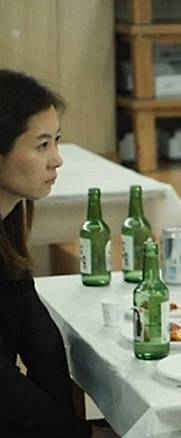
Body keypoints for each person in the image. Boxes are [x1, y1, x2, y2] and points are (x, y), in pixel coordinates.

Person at [0, 70, 91, 437]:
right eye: (41, 146)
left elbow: (38, 336)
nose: (57, 160)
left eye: (56, 141)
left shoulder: (9, 218)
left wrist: (73, 429)